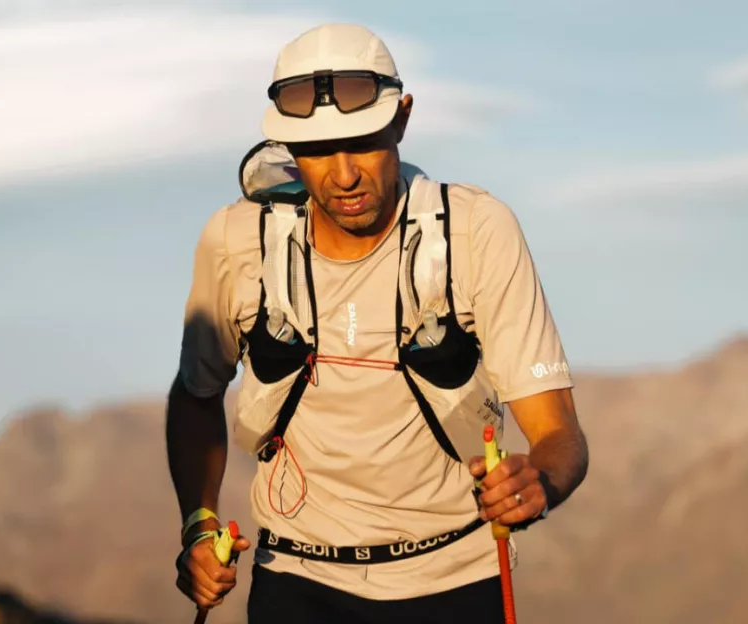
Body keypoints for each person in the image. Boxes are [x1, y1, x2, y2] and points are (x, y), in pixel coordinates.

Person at [166, 22, 588, 624]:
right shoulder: (239, 242)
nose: (342, 175)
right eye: (315, 151)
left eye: (362, 142)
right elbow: (196, 393)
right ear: (289, 150)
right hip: (294, 582)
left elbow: (559, 433)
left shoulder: (475, 232)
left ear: (402, 120)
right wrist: (198, 524)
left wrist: (539, 481)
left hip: (456, 581)